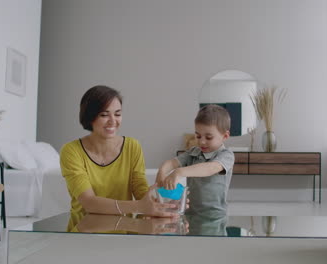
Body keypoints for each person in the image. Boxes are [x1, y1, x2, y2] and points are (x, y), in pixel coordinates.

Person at [60, 85, 178, 230]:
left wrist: (165, 199)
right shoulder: (71, 151)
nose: (112, 121)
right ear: (90, 116)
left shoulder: (132, 146)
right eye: (104, 115)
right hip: (85, 231)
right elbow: (89, 202)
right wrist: (139, 206)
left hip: (124, 232)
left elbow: (141, 192)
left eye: (117, 114)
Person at [156, 104, 235, 215]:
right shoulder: (193, 152)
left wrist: (180, 172)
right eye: (198, 136)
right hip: (190, 214)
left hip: (214, 216)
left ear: (225, 136)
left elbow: (211, 168)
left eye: (208, 137)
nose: (202, 142)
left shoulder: (226, 155)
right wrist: (162, 171)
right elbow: (172, 163)